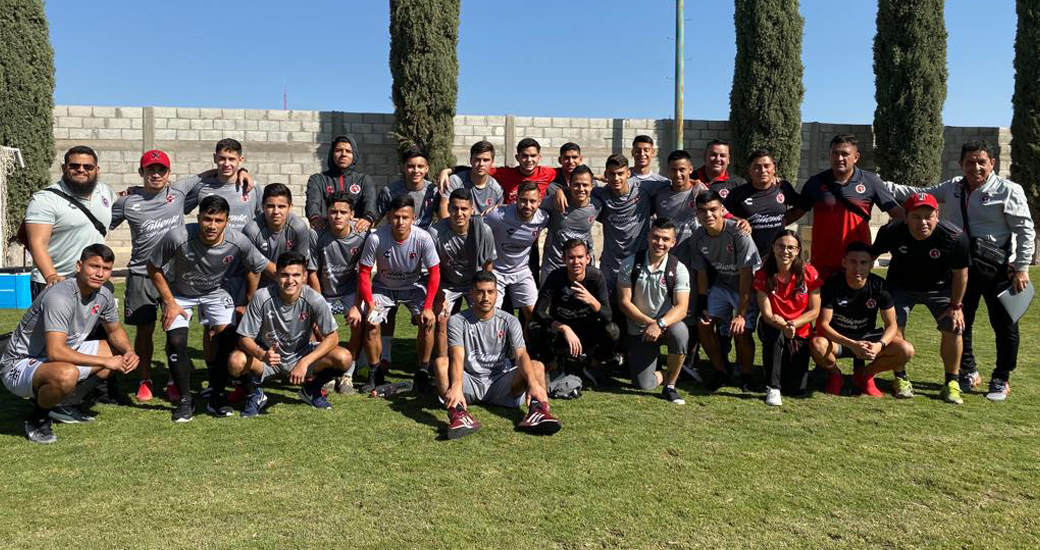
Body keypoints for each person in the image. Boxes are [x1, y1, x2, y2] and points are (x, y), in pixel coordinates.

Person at [884, 141, 1035, 401]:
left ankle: (1001, 378)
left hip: (999, 270)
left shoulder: (1008, 190)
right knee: (961, 322)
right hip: (960, 269)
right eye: (969, 162)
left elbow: (1025, 230)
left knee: (1005, 325)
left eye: (981, 162)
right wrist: (878, 185)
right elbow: (917, 192)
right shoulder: (952, 187)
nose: (975, 167)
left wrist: (1021, 268)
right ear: (961, 164)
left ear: (992, 164)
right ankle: (968, 372)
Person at [148, 195, 275, 422]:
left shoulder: (239, 240)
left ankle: (217, 397)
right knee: (176, 342)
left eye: (218, 220)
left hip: (215, 293)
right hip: (179, 293)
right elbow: (153, 266)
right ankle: (186, 401)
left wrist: (248, 300)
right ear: (198, 218)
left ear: (227, 221)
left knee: (227, 339)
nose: (212, 226)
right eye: (207, 219)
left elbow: (257, 266)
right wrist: (169, 301)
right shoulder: (178, 236)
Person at [1, 244, 139, 444]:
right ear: (79, 266)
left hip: (60, 354)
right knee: (67, 373)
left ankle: (66, 404)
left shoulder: (104, 295)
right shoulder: (60, 296)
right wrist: (106, 362)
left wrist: (129, 352)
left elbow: (115, 331)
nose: (100, 274)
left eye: (106, 269)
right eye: (94, 266)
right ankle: (38, 419)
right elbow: (55, 352)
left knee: (117, 352)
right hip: (21, 363)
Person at [109, 150, 200, 402]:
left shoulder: (179, 193)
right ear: (142, 173)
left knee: (175, 330)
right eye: (151, 170)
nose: (156, 174)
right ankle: (144, 380)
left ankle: (174, 379)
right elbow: (101, 221)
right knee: (144, 331)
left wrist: (242, 173)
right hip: (141, 275)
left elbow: (211, 175)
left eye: (161, 170)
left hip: (175, 275)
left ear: (169, 174)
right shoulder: (128, 202)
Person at [435, 271, 561, 439]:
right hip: (470, 382)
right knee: (441, 363)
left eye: (490, 292)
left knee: (537, 366)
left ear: (497, 293)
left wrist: (533, 383)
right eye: (480, 292)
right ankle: (458, 413)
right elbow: (457, 356)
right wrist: (457, 386)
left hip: (500, 383)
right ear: (471, 293)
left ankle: (537, 412)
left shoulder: (509, 320)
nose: (485, 297)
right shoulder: (457, 320)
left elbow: (521, 355)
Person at [870, 193, 969, 403]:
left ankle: (951, 382)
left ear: (937, 216)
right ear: (905, 217)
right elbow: (870, 257)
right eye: (916, 216)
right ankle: (901, 378)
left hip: (941, 289)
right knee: (894, 327)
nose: (922, 222)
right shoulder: (891, 231)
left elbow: (961, 274)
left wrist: (956, 305)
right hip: (900, 287)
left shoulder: (954, 237)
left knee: (954, 326)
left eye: (928, 216)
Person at [229, 251, 353, 417]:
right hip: (268, 357)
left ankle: (312, 390)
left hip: (301, 354)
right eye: (285, 275)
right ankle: (254, 395)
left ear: (304, 276)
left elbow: (333, 337)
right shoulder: (261, 297)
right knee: (236, 361)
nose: (290, 281)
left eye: (296, 275)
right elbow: (244, 339)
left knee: (344, 358)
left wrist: (304, 361)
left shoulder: (314, 298)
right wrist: (262, 354)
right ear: (276, 275)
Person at [784, 134, 901, 279]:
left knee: (857, 301)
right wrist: (765, 228)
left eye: (845, 154)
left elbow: (899, 215)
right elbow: (795, 213)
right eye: (835, 153)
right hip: (823, 263)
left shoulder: (871, 182)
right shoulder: (815, 183)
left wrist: (882, 244)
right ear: (829, 155)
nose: (839, 158)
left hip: (856, 264)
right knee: (822, 302)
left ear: (856, 157)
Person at [810, 242, 915, 398]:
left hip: (868, 339)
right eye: (853, 262)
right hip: (839, 340)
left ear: (871, 265)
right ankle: (835, 375)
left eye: (863, 262)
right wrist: (852, 344)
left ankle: (864, 375)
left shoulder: (879, 286)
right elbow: (823, 325)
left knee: (905, 350)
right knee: (817, 345)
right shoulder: (832, 285)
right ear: (844, 262)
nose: (858, 267)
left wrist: (879, 346)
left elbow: (892, 325)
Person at [357, 195, 441, 389]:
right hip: (383, 288)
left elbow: (435, 272)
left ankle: (422, 370)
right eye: (395, 217)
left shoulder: (423, 238)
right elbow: (364, 272)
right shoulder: (376, 237)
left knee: (428, 320)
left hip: (413, 287)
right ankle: (375, 372)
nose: (400, 222)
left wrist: (428, 307)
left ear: (413, 218)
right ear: (388, 216)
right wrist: (369, 304)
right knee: (371, 322)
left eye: (405, 217)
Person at [689, 191, 762, 392]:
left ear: (722, 210)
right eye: (703, 211)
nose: (708, 215)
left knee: (742, 331)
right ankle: (720, 372)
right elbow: (701, 273)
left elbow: (747, 276)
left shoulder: (739, 233)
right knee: (703, 324)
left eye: (713, 209)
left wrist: (740, 314)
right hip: (721, 285)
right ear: (697, 213)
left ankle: (746, 376)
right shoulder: (697, 238)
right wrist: (703, 303)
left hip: (744, 288)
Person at [24, 146, 114, 300]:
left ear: (97, 170)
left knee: (96, 325)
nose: (81, 170)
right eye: (74, 166)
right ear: (64, 168)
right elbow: (37, 243)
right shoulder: (45, 199)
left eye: (88, 166)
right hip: (56, 281)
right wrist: (51, 276)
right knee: (56, 325)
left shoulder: (105, 192)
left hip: (91, 281)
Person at [616, 219, 690, 404]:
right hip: (639, 329)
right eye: (656, 237)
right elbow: (624, 302)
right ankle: (669, 371)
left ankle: (670, 385)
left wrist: (659, 324)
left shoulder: (678, 268)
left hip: (665, 326)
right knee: (644, 384)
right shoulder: (630, 263)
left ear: (673, 242)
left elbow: (682, 308)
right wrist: (649, 323)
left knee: (680, 332)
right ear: (648, 237)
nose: (660, 243)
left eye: (666, 239)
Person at [529, 239, 619, 380]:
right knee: (534, 328)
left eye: (580, 257)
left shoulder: (596, 277)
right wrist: (564, 328)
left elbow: (608, 316)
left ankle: (593, 364)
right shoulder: (555, 277)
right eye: (571, 257)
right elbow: (538, 312)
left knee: (612, 330)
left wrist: (593, 301)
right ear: (563, 259)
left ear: (588, 258)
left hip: (587, 331)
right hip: (562, 333)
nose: (576, 262)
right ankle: (554, 365)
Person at [309, 192, 370, 394]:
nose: (338, 216)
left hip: (349, 291)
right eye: (333, 212)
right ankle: (324, 371)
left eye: (343, 212)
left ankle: (347, 374)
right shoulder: (316, 235)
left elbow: (362, 274)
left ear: (352, 214)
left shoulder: (362, 237)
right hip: (323, 293)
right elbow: (312, 273)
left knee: (359, 320)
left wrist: (355, 305)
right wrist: (318, 304)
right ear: (326, 214)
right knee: (311, 323)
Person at [428, 189, 497, 367]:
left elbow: (488, 266)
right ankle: (442, 363)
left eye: (464, 209)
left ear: (471, 210)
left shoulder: (483, 230)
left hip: (473, 282)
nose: (459, 213)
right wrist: (439, 297)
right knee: (441, 317)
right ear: (449, 208)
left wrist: (487, 293)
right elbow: (432, 270)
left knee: (485, 315)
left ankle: (484, 359)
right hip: (446, 284)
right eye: (455, 208)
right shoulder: (435, 232)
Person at [753, 230, 822, 406]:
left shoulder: (809, 273)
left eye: (791, 247)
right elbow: (766, 313)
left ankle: (778, 372)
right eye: (781, 246)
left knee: (796, 389)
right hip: (773, 324)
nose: (785, 251)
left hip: (800, 330)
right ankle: (772, 387)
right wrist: (783, 325)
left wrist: (793, 324)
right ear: (774, 248)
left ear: (798, 250)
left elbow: (814, 311)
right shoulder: (762, 275)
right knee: (775, 336)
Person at [483, 182, 551, 322]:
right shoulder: (497, 215)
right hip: (497, 271)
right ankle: (495, 343)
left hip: (521, 271)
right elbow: (477, 229)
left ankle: (528, 343)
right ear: (516, 199)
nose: (528, 205)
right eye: (523, 200)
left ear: (539, 201)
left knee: (533, 314)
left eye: (532, 201)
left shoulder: (544, 218)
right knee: (491, 315)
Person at [724, 149, 801, 258]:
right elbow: (723, 218)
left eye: (767, 166)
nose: (762, 170)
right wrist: (739, 222)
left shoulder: (783, 188)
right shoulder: (737, 194)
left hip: (776, 257)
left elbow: (802, 206)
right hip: (747, 256)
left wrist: (784, 221)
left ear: (773, 168)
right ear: (749, 170)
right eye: (757, 167)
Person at [539, 165, 603, 282]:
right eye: (577, 184)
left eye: (585, 185)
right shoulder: (556, 201)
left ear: (592, 186)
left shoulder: (596, 206)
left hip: (581, 267)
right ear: (569, 184)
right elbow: (532, 209)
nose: (581, 189)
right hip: (554, 265)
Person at [242, 183, 312, 283]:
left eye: (281, 206)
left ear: (290, 207)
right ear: (262, 206)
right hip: (261, 284)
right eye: (270, 206)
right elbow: (251, 271)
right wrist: (252, 297)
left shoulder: (299, 228)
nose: (276, 211)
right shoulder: (251, 230)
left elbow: (301, 268)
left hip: (289, 282)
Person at [305, 135, 377, 232]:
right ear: (332, 153)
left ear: (354, 155)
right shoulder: (318, 180)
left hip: (356, 233)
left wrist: (368, 219)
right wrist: (315, 218)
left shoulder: (364, 180)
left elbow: (370, 204)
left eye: (348, 151)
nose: (343, 154)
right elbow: (313, 203)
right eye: (339, 150)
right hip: (325, 233)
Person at [375, 148, 441, 229]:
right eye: (411, 166)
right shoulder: (389, 192)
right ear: (403, 167)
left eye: (420, 166)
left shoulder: (434, 191)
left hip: (425, 237)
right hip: (397, 237)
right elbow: (374, 219)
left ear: (426, 168)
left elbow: (444, 219)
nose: (416, 170)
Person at [438, 140, 503, 218]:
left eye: (486, 160)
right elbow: (443, 211)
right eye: (477, 160)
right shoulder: (455, 181)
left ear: (492, 162)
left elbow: (499, 217)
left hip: (484, 228)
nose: (481, 164)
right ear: (470, 160)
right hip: (455, 227)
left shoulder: (497, 189)